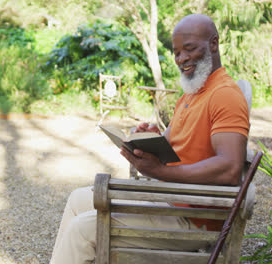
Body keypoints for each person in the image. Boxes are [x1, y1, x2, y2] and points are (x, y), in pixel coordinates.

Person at [49, 14, 249, 264]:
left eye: (189, 49)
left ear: (213, 44)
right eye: (176, 52)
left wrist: (160, 171)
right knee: (78, 199)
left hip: (194, 217)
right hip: (170, 200)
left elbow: (229, 168)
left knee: (81, 230)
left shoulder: (225, 95)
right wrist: (149, 139)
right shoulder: (191, 94)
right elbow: (173, 143)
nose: (181, 59)